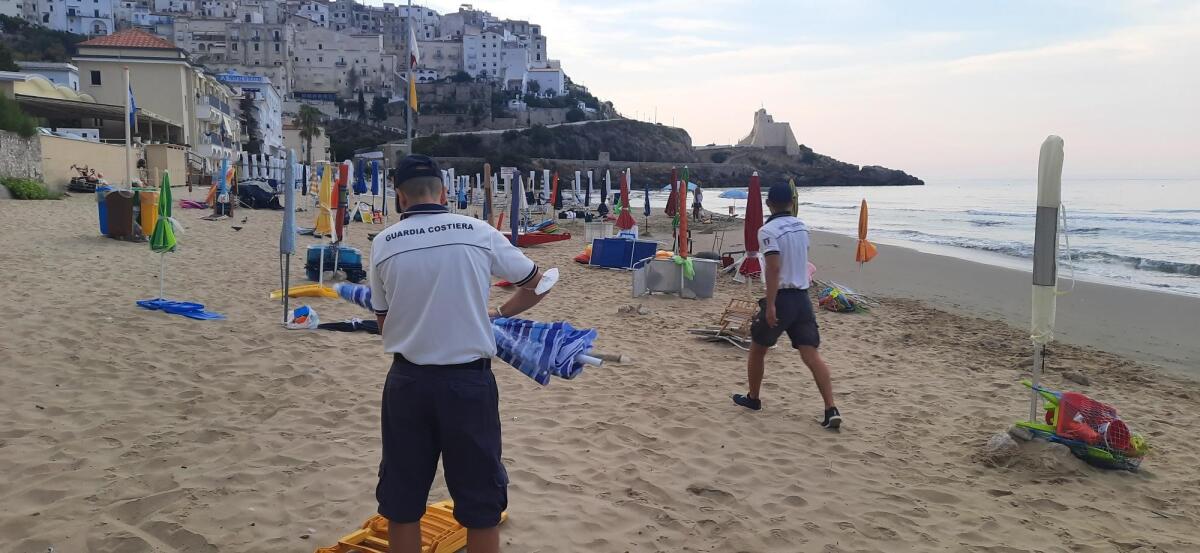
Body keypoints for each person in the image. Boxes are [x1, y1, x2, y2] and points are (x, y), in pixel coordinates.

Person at [370, 155, 548, 553]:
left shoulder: (383, 243)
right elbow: (539, 283)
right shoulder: (478, 232)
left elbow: (384, 320)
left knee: (402, 499)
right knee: (481, 499)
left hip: (407, 382)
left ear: (399, 197)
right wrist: (496, 314)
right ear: (444, 191)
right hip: (468, 382)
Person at [732, 184, 842, 429]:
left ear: (769, 203)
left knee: (758, 348)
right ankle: (830, 408)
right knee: (811, 354)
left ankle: (753, 398)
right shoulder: (802, 226)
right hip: (803, 297)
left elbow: (773, 268)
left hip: (782, 297)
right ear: (792, 203)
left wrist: (770, 304)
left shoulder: (768, 230)